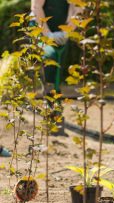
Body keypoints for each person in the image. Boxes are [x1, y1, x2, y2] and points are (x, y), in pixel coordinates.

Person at [31, 0, 80, 136]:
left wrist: (67, 32)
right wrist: (48, 34)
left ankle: (55, 114)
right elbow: (36, 7)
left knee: (57, 70)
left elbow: (78, 10)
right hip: (40, 29)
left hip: (60, 33)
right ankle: (51, 109)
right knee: (50, 57)